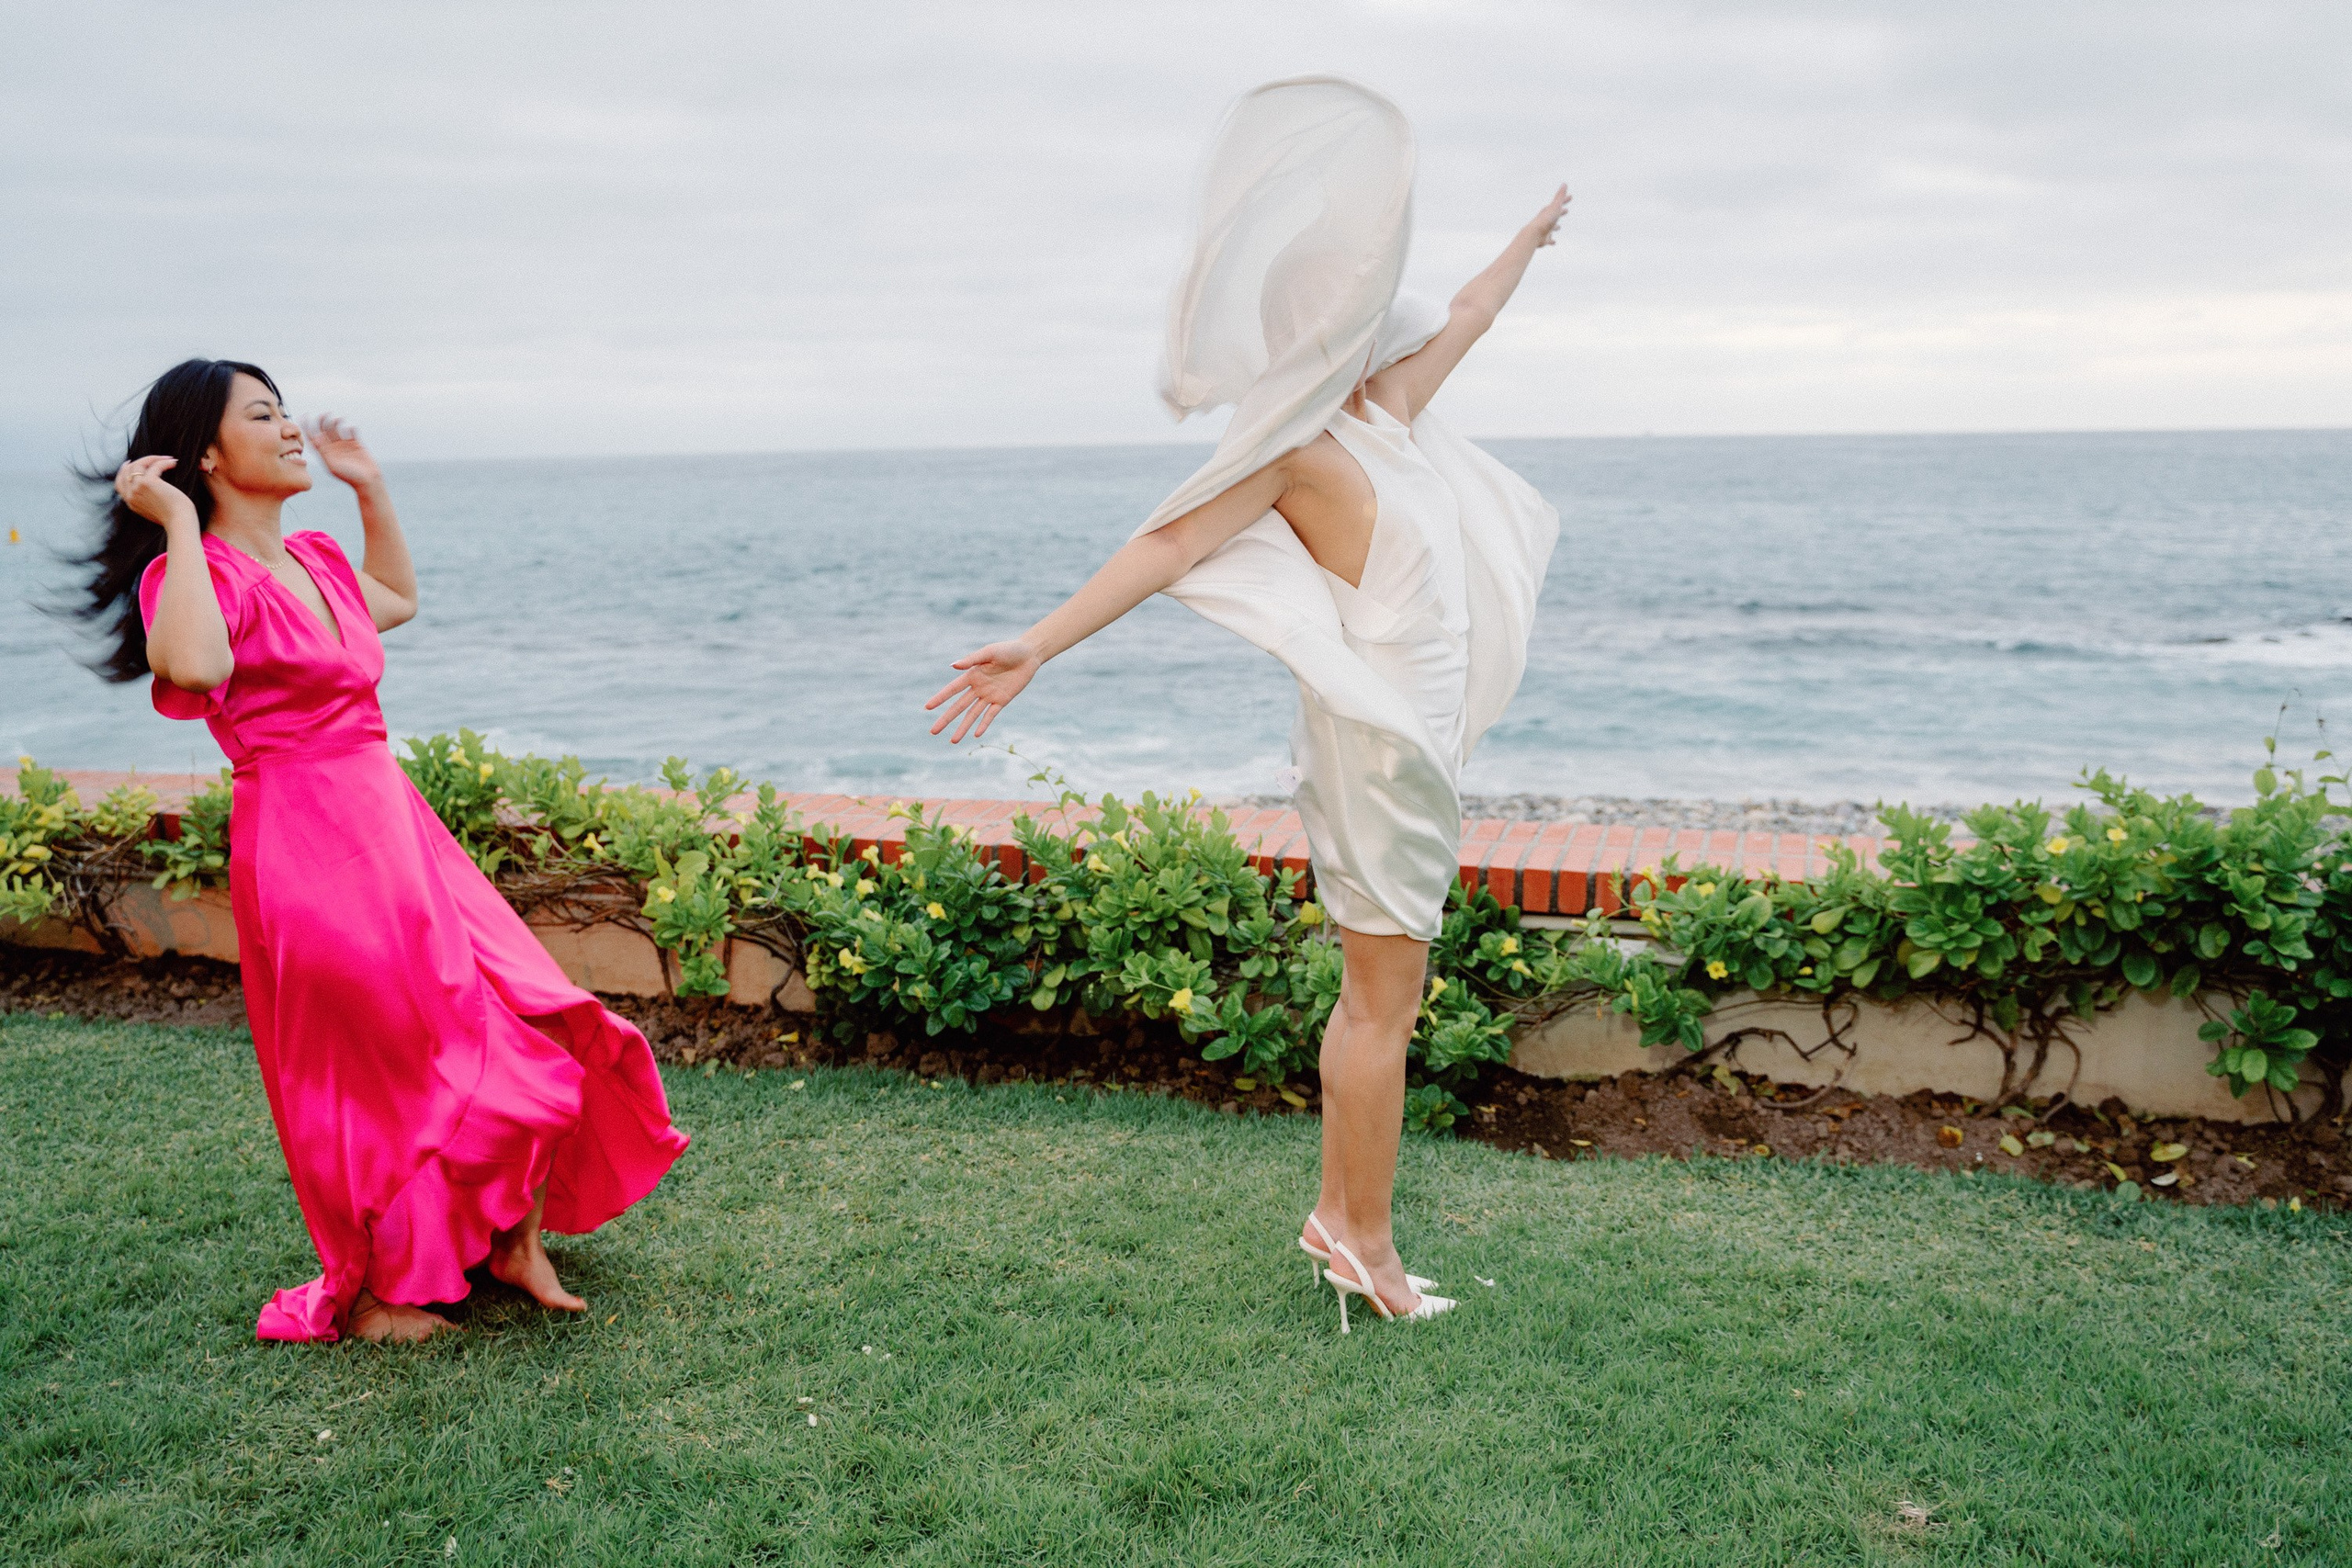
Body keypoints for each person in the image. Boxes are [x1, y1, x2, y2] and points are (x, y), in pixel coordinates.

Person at [926, 77, 1562, 1329]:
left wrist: (1529, 239)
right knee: (1384, 999)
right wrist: (1039, 645)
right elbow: (1163, 546)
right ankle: (1364, 1246)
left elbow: (1475, 311)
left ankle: (1342, 1216)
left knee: (1377, 994)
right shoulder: (1296, 449)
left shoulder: (1384, 413)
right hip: (1377, 747)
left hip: (1413, 735)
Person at [75, 358, 689, 1344]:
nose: (286, 431)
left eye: (284, 413)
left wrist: (369, 488)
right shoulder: (191, 575)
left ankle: (512, 1238)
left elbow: (393, 600)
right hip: (306, 845)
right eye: (263, 416)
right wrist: (179, 525)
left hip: (398, 831)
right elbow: (192, 665)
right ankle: (368, 1294)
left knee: (523, 1017)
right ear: (205, 452)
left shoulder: (315, 560)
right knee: (364, 1077)